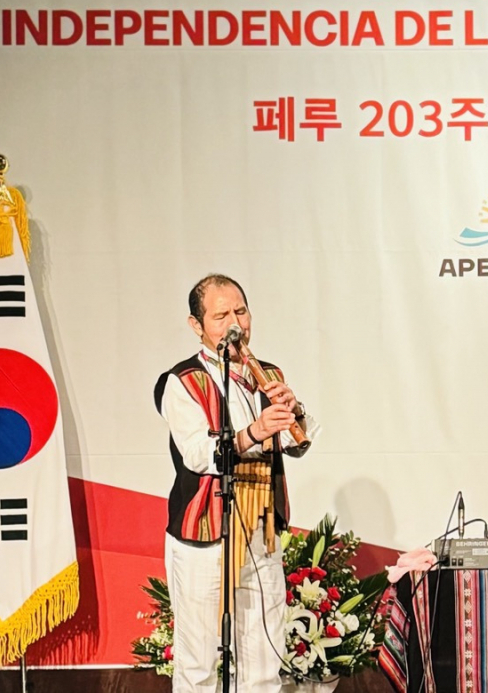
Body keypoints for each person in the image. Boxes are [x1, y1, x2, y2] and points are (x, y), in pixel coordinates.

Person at [155, 273, 314, 693]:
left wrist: (294, 415)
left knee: (263, 661)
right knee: (198, 665)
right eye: (221, 315)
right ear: (197, 325)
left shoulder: (268, 373)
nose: (234, 324)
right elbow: (198, 454)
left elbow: (296, 447)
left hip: (260, 528)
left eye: (240, 311)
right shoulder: (182, 380)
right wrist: (254, 432)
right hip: (205, 531)